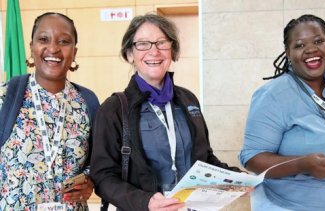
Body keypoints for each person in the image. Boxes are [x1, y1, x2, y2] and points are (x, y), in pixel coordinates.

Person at [90, 13, 241, 211]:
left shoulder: (188, 100)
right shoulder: (113, 108)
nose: (154, 51)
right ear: (129, 54)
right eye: (143, 44)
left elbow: (205, 158)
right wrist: (146, 201)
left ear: (172, 51)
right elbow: (103, 176)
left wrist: (235, 179)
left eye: (161, 43)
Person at [239, 14, 325, 211]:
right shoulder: (273, 95)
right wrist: (303, 164)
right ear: (288, 53)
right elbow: (252, 158)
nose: (311, 49)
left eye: (318, 41)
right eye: (299, 45)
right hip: (289, 206)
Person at [0, 12, 99, 210]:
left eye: (64, 41)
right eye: (43, 39)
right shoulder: (5, 96)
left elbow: (98, 162)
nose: (53, 48)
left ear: (74, 52)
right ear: (31, 47)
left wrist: (90, 181)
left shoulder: (87, 102)